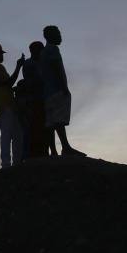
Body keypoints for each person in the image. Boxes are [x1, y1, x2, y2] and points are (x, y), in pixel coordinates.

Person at [40, 26, 85, 157]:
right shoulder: (53, 49)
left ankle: (54, 151)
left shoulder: (43, 52)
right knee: (58, 120)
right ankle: (65, 147)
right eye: (58, 34)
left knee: (51, 122)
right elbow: (57, 68)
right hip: (56, 89)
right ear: (51, 36)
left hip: (47, 92)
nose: (60, 36)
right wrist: (64, 87)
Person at [0, 44, 25, 168]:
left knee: (16, 135)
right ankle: (7, 164)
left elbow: (6, 85)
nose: (2, 56)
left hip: (7, 105)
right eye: (0, 53)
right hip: (5, 106)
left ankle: (15, 163)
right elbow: (10, 82)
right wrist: (18, 66)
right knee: (8, 134)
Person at [17, 42, 47, 159]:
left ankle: (43, 153)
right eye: (39, 49)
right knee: (33, 128)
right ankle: (32, 155)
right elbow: (30, 81)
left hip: (43, 98)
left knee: (44, 128)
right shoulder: (29, 64)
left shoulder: (43, 62)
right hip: (34, 100)